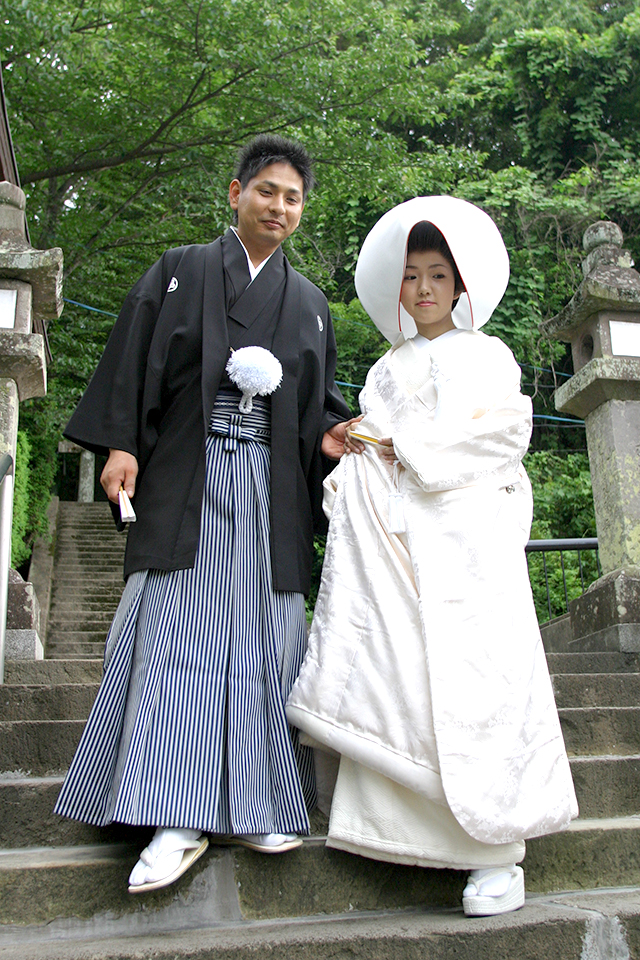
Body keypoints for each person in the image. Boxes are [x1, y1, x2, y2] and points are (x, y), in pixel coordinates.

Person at [53, 134, 352, 893]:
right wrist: (121, 444)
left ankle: (258, 803)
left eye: (292, 197)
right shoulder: (179, 271)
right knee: (175, 636)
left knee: (264, 641)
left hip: (270, 494)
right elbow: (133, 361)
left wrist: (331, 436)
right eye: (266, 191)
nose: (278, 206)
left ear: (301, 210)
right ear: (236, 193)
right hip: (185, 477)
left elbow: (317, 407)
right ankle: (172, 816)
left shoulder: (310, 304)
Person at [286, 196, 578, 917]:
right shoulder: (385, 369)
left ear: (460, 285)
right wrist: (362, 451)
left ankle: (498, 854)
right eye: (412, 275)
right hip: (398, 540)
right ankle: (395, 829)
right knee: (403, 675)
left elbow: (505, 436)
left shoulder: (489, 354)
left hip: (471, 540)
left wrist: (406, 447)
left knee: (481, 685)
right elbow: (374, 449)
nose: (423, 289)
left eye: (438, 275)